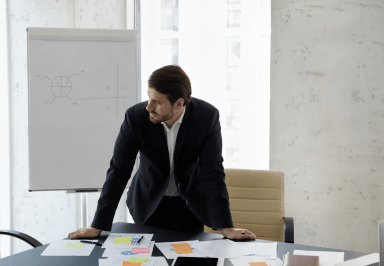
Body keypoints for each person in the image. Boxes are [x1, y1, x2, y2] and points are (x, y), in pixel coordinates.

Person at [68, 65, 256, 240]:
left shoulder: (206, 117)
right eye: (149, 97)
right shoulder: (135, 118)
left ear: (179, 103)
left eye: (157, 102)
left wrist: (226, 227)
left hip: (190, 205)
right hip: (148, 204)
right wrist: (98, 225)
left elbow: (212, 172)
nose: (149, 106)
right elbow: (118, 171)